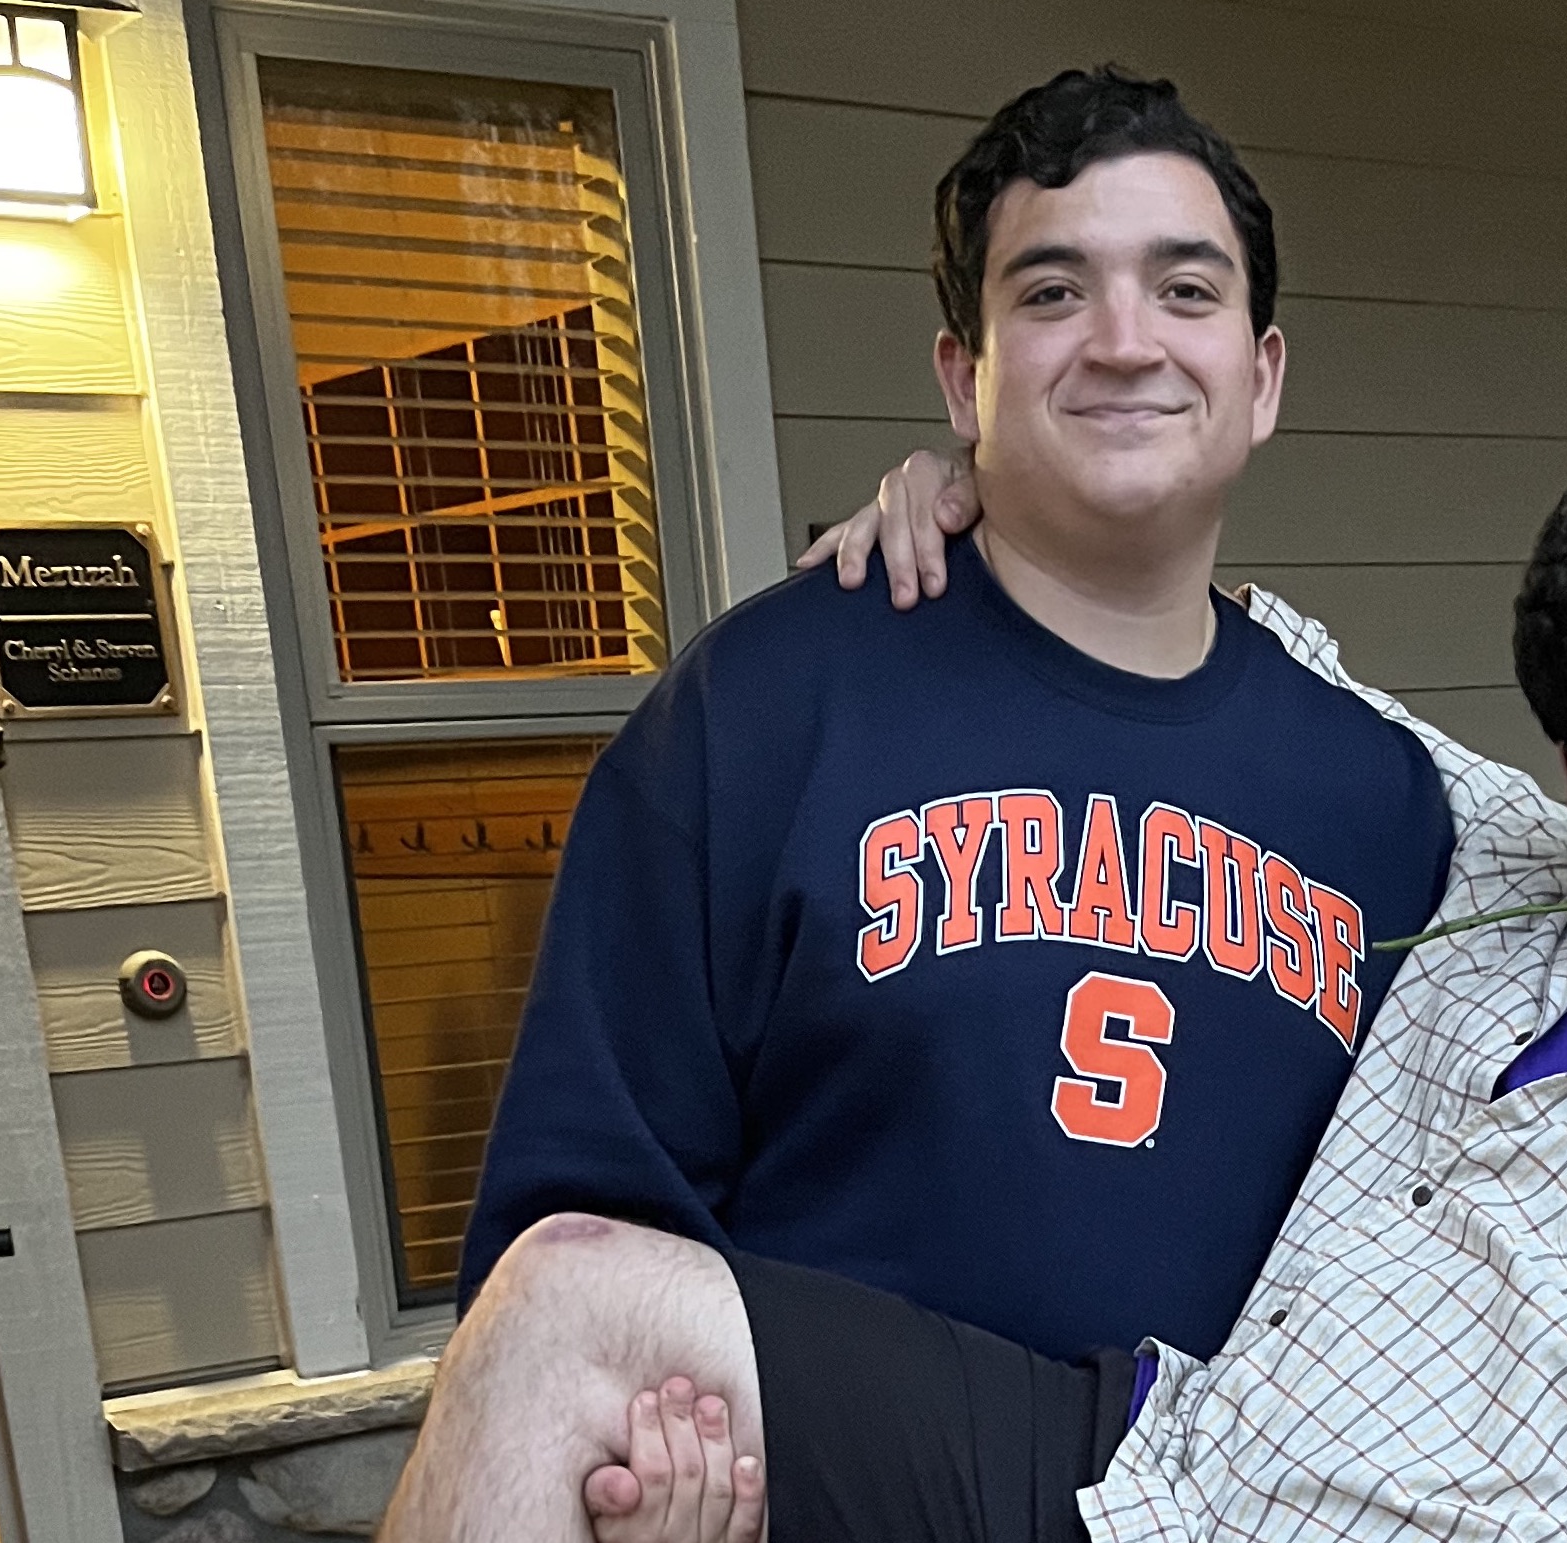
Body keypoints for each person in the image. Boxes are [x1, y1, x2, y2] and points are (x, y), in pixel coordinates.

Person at [392, 434, 1567, 1543]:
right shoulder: (1486, 862)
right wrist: (975, 490)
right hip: (1142, 1465)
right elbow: (1232, 632)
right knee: (563, 1314)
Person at [391, 67, 1455, 1543]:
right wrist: (662, 1460)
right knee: (565, 1309)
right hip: (828, 1483)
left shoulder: (1393, 800)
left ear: (1262, 374)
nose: (1125, 341)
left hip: (1224, 1491)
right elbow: (582, 1223)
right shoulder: (772, 702)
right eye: (1053, 293)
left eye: (1184, 290)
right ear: (966, 378)